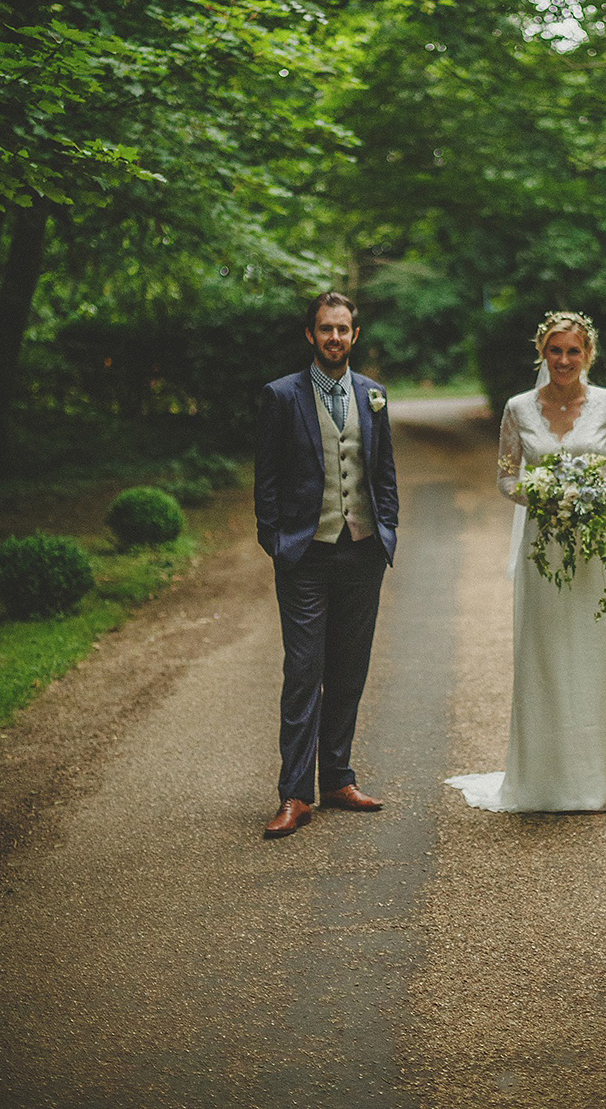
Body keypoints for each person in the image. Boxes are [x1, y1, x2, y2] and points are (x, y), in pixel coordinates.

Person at [446, 309, 606, 813]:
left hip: (595, 546)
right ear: (541, 352)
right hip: (543, 547)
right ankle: (545, 780)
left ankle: (603, 780)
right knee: (547, 654)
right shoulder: (518, 409)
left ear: (588, 354)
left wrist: (594, 495)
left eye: (573, 351)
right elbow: (507, 478)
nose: (563, 359)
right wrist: (545, 496)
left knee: (595, 654)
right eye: (554, 350)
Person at [254, 291, 398, 838]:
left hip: (362, 553)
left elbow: (383, 473)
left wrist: (388, 528)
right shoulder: (282, 396)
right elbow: (265, 477)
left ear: (354, 336)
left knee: (348, 670)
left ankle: (337, 778)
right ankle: (295, 793)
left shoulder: (374, 395)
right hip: (305, 555)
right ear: (310, 335)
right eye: (324, 329)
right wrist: (277, 541)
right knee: (303, 671)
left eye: (343, 329)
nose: (334, 337)